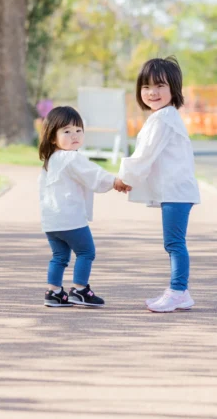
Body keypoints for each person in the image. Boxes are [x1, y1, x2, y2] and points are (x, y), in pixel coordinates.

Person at [118, 56, 200, 313]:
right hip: (175, 190)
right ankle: (179, 291)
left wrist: (124, 179)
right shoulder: (162, 117)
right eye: (146, 87)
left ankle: (178, 291)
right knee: (173, 242)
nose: (152, 92)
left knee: (175, 243)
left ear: (173, 90)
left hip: (176, 191)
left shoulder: (163, 119)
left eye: (160, 86)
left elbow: (144, 154)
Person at [38, 106, 130, 308]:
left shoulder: (50, 161)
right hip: (70, 219)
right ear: (53, 138)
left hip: (51, 221)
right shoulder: (71, 158)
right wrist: (114, 181)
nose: (74, 136)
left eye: (78, 130)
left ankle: (53, 292)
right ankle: (80, 290)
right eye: (67, 131)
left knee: (59, 256)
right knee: (86, 252)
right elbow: (93, 174)